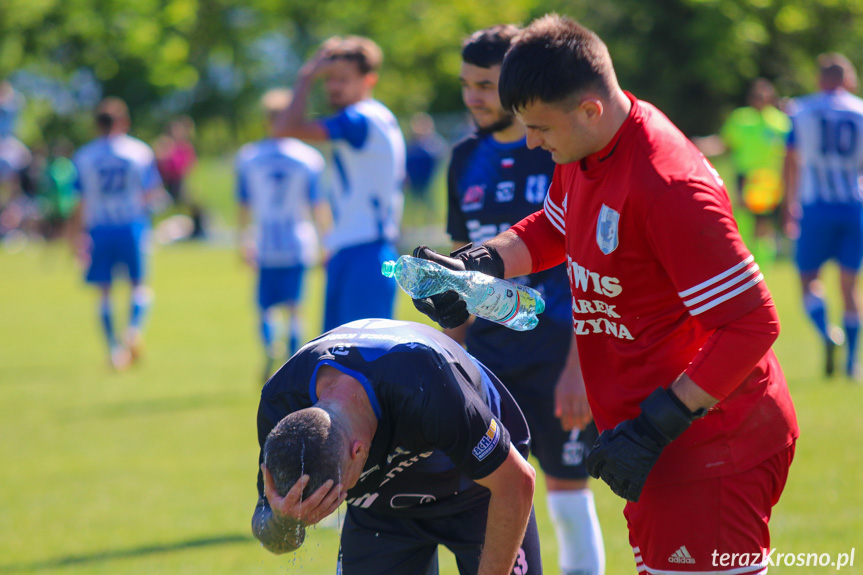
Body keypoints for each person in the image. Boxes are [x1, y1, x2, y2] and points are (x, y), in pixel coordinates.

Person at [412, 15, 799, 574]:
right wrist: (474, 266)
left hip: (710, 442)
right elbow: (552, 226)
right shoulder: (589, 147)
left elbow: (753, 325)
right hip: (653, 441)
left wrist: (657, 423)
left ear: (589, 109)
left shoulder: (669, 188)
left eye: (540, 128)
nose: (531, 141)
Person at [434, 24, 604, 575]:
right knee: (494, 494)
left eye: (486, 84)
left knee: (568, 492)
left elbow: (588, 262)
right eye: (467, 84)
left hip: (560, 352)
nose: (474, 97)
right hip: (487, 358)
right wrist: (448, 358)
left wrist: (580, 367)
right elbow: (462, 261)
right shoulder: (464, 158)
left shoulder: (556, 146)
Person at [252, 318, 541, 575]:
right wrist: (284, 521)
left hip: (479, 489)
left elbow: (516, 481)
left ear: (360, 451)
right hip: (382, 512)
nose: (336, 504)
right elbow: (267, 527)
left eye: (338, 496)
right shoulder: (280, 407)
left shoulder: (426, 385)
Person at [276, 35, 405, 332]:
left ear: (368, 80)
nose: (333, 86)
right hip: (356, 246)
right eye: (329, 78)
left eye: (343, 79)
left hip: (365, 252)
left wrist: (306, 76)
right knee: (338, 360)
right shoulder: (374, 117)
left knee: (360, 360)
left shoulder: (360, 119)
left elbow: (285, 127)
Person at [235, 88, 328, 381]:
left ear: (266, 119)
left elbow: (243, 205)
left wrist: (242, 241)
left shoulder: (249, 157)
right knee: (295, 309)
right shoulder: (308, 158)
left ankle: (270, 349)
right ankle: (290, 362)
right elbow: (318, 206)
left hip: (265, 243)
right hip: (297, 241)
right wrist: (326, 242)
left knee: (265, 309)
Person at [783, 53, 863, 380]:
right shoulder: (860, 110)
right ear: (848, 79)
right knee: (849, 287)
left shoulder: (802, 110)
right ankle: (851, 364)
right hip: (853, 206)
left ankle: (828, 333)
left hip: (815, 206)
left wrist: (789, 202)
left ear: (820, 79)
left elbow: (791, 159)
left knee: (808, 281)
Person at [70, 97, 165, 370]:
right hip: (130, 225)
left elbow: (80, 200)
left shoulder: (85, 156)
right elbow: (151, 193)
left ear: (96, 124)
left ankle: (113, 349)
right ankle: (133, 330)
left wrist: (76, 236)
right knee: (139, 285)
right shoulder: (138, 152)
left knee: (103, 292)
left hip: (99, 227)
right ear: (123, 122)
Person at [718, 78, 791, 262]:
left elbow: (790, 153)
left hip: (767, 180)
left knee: (763, 226)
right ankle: (743, 262)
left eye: (763, 96)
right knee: (742, 224)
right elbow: (726, 144)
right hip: (744, 177)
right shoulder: (740, 118)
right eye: (755, 96)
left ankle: (762, 265)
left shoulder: (780, 121)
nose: (759, 100)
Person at [405, 111, 447, 204]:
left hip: (430, 179)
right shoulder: (411, 143)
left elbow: (440, 157)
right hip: (414, 179)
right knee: (413, 203)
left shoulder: (434, 142)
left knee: (429, 201)